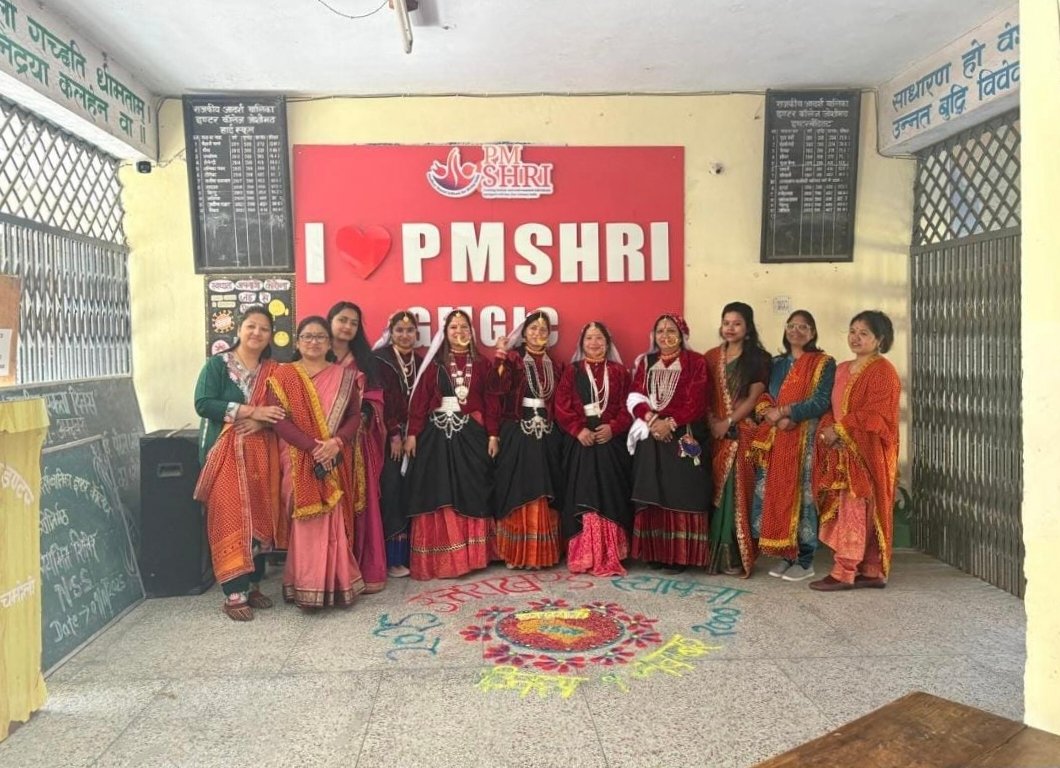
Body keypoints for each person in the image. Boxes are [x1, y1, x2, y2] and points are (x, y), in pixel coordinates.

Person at [267, 316, 366, 609]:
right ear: (297, 343)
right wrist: (313, 447)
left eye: (320, 337)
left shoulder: (344, 376)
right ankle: (306, 586)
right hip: (298, 457)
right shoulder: (283, 375)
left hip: (334, 456)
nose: (314, 342)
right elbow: (279, 420)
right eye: (307, 337)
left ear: (329, 343)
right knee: (307, 522)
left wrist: (336, 443)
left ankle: (336, 584)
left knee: (333, 520)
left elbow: (354, 416)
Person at [193, 306, 285, 621]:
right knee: (231, 516)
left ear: (270, 336)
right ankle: (234, 592)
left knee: (259, 516)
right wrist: (249, 411)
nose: (256, 333)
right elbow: (203, 403)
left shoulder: (274, 370)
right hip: (224, 453)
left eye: (263, 328)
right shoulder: (217, 365)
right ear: (240, 330)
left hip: (262, 453)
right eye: (251, 326)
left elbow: (283, 409)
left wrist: (262, 421)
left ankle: (253, 585)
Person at [404, 309, 499, 580]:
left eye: (464, 327)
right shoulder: (435, 364)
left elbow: (491, 401)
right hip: (436, 436)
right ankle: (444, 558)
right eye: (454, 327)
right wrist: (413, 433)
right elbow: (421, 400)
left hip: (471, 435)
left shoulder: (482, 364)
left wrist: (493, 434)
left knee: (471, 487)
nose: (459, 331)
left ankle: (473, 556)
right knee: (439, 490)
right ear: (445, 333)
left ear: (472, 332)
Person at [810, 310, 901, 591]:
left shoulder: (883, 371)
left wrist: (840, 429)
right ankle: (872, 571)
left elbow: (876, 415)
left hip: (868, 452)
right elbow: (831, 408)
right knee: (854, 509)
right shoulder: (841, 369)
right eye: (852, 331)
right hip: (841, 449)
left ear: (879, 339)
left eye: (864, 333)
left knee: (857, 508)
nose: (855, 338)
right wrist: (829, 430)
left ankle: (844, 572)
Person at [749, 310, 836, 583]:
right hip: (778, 440)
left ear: (813, 332)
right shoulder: (777, 363)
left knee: (805, 497)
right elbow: (765, 396)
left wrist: (787, 413)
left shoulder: (823, 363)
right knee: (779, 496)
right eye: (791, 326)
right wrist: (772, 415)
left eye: (803, 327)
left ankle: (806, 560)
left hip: (806, 440)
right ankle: (787, 555)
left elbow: (821, 401)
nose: (796, 331)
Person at [626, 313, 711, 572]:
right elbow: (635, 396)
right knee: (653, 492)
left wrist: (669, 423)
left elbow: (697, 402)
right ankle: (656, 553)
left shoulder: (695, 362)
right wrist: (653, 421)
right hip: (652, 435)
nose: (665, 335)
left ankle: (680, 556)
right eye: (660, 331)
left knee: (680, 494)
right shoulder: (646, 361)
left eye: (671, 330)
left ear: (682, 334)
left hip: (681, 434)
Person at [488, 310, 566, 569]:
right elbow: (495, 389)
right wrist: (500, 354)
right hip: (517, 429)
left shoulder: (556, 365)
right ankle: (516, 553)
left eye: (543, 330)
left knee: (546, 486)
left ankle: (541, 553)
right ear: (524, 333)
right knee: (517, 487)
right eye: (533, 329)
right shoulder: (513, 358)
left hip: (547, 432)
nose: (538, 333)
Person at [554, 321, 633, 577]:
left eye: (599, 338)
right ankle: (584, 554)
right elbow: (561, 405)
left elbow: (629, 405)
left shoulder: (620, 373)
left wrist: (613, 428)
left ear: (607, 343)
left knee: (610, 494)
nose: (594, 343)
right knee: (583, 491)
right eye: (589, 338)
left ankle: (610, 553)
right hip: (581, 443)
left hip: (611, 442)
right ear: (582, 343)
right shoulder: (572, 371)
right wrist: (578, 430)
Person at [705, 301, 771, 577]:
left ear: (748, 327)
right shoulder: (710, 357)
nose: (730, 328)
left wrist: (728, 422)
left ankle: (735, 556)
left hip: (741, 433)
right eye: (726, 323)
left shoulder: (758, 358)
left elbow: (754, 397)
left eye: (737, 323)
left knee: (737, 495)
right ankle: (712, 556)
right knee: (714, 493)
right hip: (714, 436)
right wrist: (713, 423)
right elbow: (705, 396)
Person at [328, 301, 387, 593]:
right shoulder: (315, 354)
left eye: (353, 322)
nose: (347, 326)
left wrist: (359, 419)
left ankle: (363, 570)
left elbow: (375, 399)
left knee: (359, 504)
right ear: (330, 321)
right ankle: (328, 573)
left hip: (355, 445)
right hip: (318, 444)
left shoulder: (364, 362)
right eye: (342, 320)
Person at [372, 310, 424, 577]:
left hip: (416, 436)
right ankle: (392, 559)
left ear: (417, 334)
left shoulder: (421, 361)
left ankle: (412, 554)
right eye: (399, 330)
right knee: (391, 490)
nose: (405, 335)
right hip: (387, 438)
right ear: (390, 333)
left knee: (412, 490)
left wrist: (413, 432)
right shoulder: (380, 360)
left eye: (410, 330)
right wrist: (394, 434)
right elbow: (382, 398)